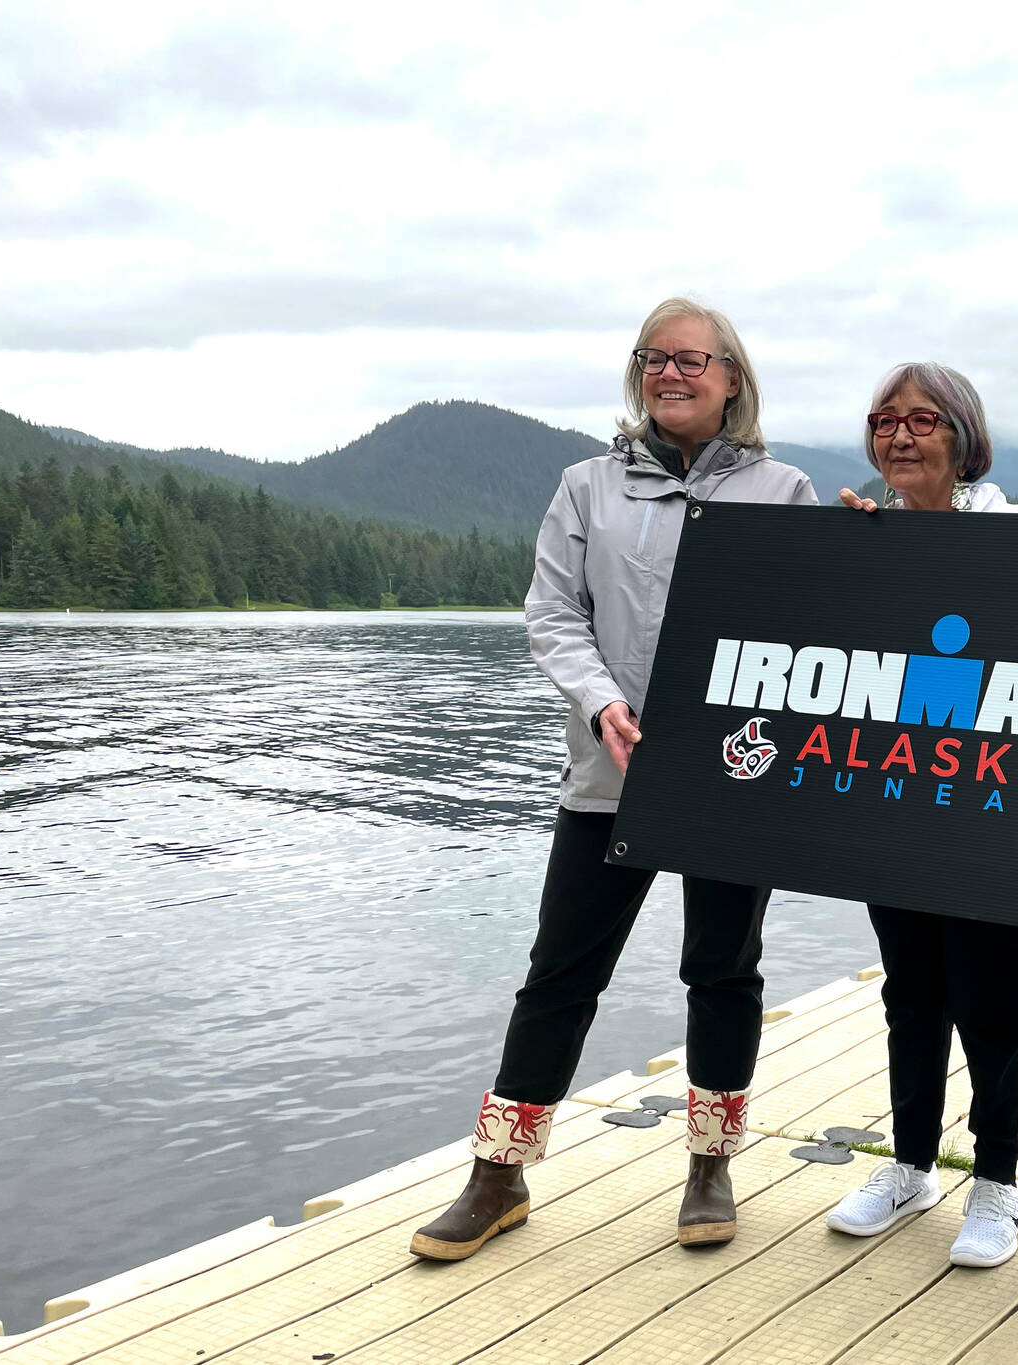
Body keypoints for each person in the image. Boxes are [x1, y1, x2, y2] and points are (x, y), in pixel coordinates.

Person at [408, 297, 819, 1263]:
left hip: (732, 773)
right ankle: (498, 1174)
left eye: (689, 359)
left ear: (731, 377)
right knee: (560, 972)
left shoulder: (785, 488)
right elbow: (552, 611)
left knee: (722, 971)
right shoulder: (586, 485)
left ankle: (711, 1165)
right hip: (610, 771)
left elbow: (816, 624)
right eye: (652, 359)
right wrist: (601, 703)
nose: (668, 374)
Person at [823, 362, 1018, 1267]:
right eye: (884, 421)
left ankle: (999, 1181)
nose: (900, 437)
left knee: (993, 1002)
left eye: (922, 420)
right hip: (902, 799)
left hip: (994, 805)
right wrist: (851, 560)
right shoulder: (873, 539)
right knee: (911, 991)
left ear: (962, 433)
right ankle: (912, 1165)